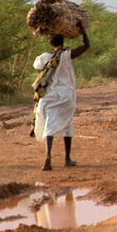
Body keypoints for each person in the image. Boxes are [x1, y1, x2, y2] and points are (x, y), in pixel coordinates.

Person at [33, 21, 89, 170]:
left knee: (50, 124)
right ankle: (67, 158)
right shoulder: (67, 55)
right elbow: (86, 46)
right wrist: (82, 29)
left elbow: (37, 66)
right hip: (66, 95)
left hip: (49, 95)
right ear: (63, 41)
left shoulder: (45, 57)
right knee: (67, 124)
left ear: (51, 43)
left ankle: (48, 154)